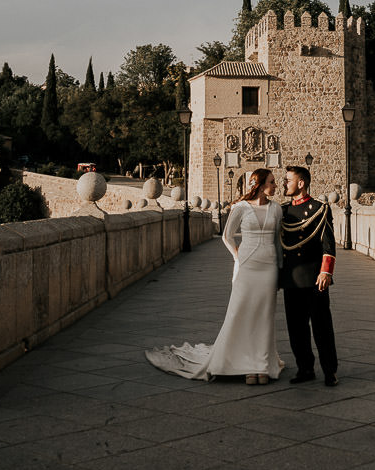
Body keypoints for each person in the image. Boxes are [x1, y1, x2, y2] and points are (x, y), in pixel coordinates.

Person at [145, 167, 283, 383]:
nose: (276, 185)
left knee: (265, 316)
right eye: (273, 182)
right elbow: (227, 236)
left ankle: (262, 365)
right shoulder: (241, 207)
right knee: (242, 313)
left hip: (269, 266)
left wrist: (280, 268)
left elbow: (277, 241)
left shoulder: (276, 209)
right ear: (261, 184)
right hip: (247, 266)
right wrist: (238, 256)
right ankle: (246, 364)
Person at [279, 165, 338, 386]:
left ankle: (330, 370)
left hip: (315, 278)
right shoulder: (283, 212)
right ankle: (305, 368)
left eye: (288, 180)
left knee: (322, 326)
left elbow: (328, 244)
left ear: (301, 183)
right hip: (291, 278)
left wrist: (326, 272)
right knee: (296, 328)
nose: (284, 183)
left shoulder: (319, 209)